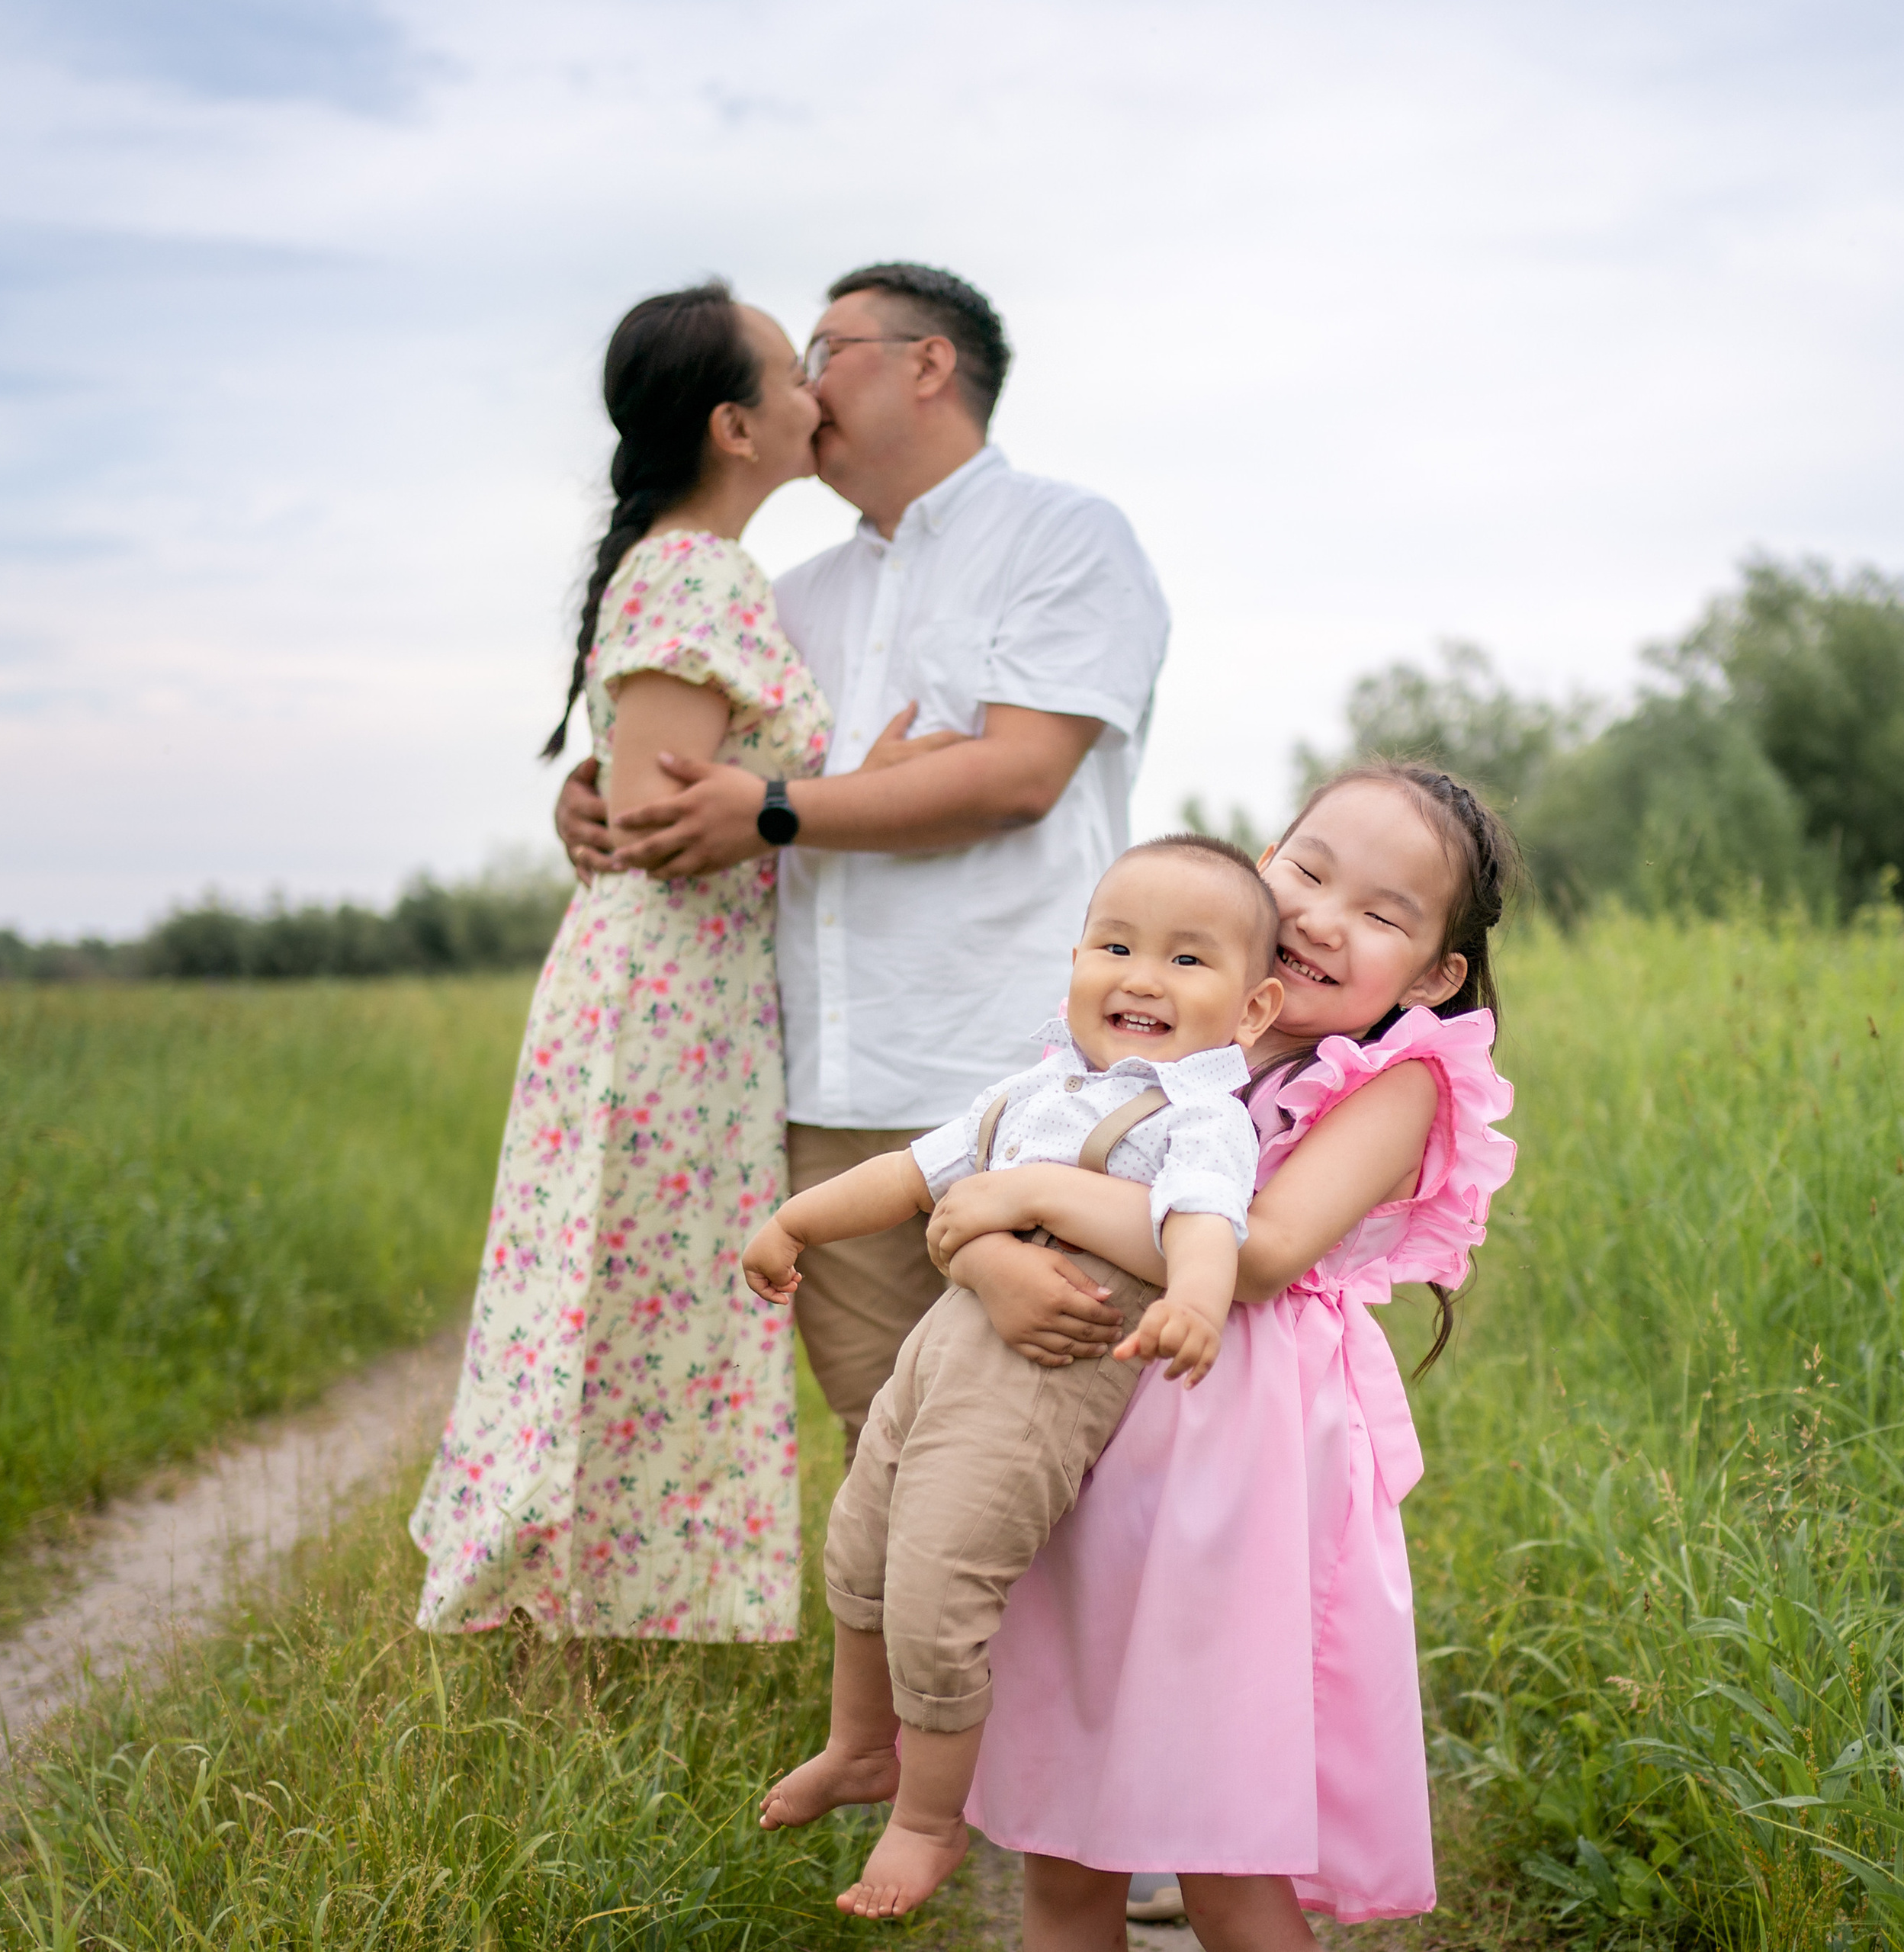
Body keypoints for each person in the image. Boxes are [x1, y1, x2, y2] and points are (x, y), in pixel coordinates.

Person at [554, 262, 1170, 1461]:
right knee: (883, 1445)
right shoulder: (790, 595)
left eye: (825, 351)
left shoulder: (1068, 536)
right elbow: (691, 776)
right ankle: (903, 1659)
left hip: (1015, 1078)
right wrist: (595, 806)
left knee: (1049, 1445)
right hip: (827, 1091)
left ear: (928, 363)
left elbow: (1018, 775)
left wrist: (774, 809)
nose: (805, 386)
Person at [926, 765, 1521, 1947]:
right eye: (1306, 869)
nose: (1318, 916)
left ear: (1436, 975)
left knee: (1224, 1853)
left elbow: (1260, 1251)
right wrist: (991, 1253)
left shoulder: (1396, 1083)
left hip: (1237, 1480)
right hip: (1079, 1441)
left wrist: (1029, 1193)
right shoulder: (1151, 1034)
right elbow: (970, 1202)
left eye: (1381, 913)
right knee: (1063, 1842)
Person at [743, 836, 1285, 1918]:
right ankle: (860, 1747)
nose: (1140, 976)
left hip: (1035, 1393)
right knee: (860, 1547)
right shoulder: (1030, 1093)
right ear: (1075, 956)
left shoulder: (1197, 1118)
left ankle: (929, 1822)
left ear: (1255, 1010)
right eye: (1117, 945)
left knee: (941, 1586)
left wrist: (1191, 1295)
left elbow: (1207, 1220)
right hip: (938, 1356)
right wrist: (798, 1219)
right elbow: (909, 1175)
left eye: (1187, 961)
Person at [408, 284, 834, 1641]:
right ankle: (589, 1617)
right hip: (668, 1002)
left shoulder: (685, 567)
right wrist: (878, 782)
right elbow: (661, 823)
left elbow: (641, 799)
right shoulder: (698, 570)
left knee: (637, 1297)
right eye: (792, 373)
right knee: (636, 1295)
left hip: (676, 994)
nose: (816, 392)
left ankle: (615, 1610)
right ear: (737, 425)